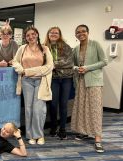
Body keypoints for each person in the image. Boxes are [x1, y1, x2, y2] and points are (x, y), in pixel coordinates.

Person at [12, 26, 53, 145]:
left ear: (37, 35)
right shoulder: (22, 48)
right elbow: (15, 61)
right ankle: (30, 135)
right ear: (25, 37)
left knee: (38, 109)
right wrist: (20, 69)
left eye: (33, 34)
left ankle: (39, 135)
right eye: (28, 35)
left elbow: (49, 66)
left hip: (41, 81)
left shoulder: (45, 49)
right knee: (29, 109)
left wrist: (27, 71)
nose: (31, 37)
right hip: (26, 81)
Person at [71, 24, 108, 153]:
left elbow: (104, 61)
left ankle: (98, 138)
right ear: (75, 35)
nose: (81, 34)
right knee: (82, 108)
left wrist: (87, 68)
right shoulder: (75, 48)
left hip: (94, 81)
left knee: (95, 109)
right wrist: (77, 68)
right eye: (78, 32)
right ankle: (83, 132)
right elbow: (73, 65)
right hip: (81, 81)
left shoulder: (95, 44)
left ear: (88, 32)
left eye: (83, 31)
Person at [44, 27, 74, 139]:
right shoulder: (44, 47)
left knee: (63, 104)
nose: (54, 34)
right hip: (53, 79)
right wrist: (51, 65)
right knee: (53, 104)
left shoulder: (65, 46)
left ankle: (62, 129)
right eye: (51, 32)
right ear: (48, 34)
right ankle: (53, 127)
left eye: (56, 33)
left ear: (59, 34)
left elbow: (69, 62)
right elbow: (42, 61)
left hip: (66, 78)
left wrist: (52, 64)